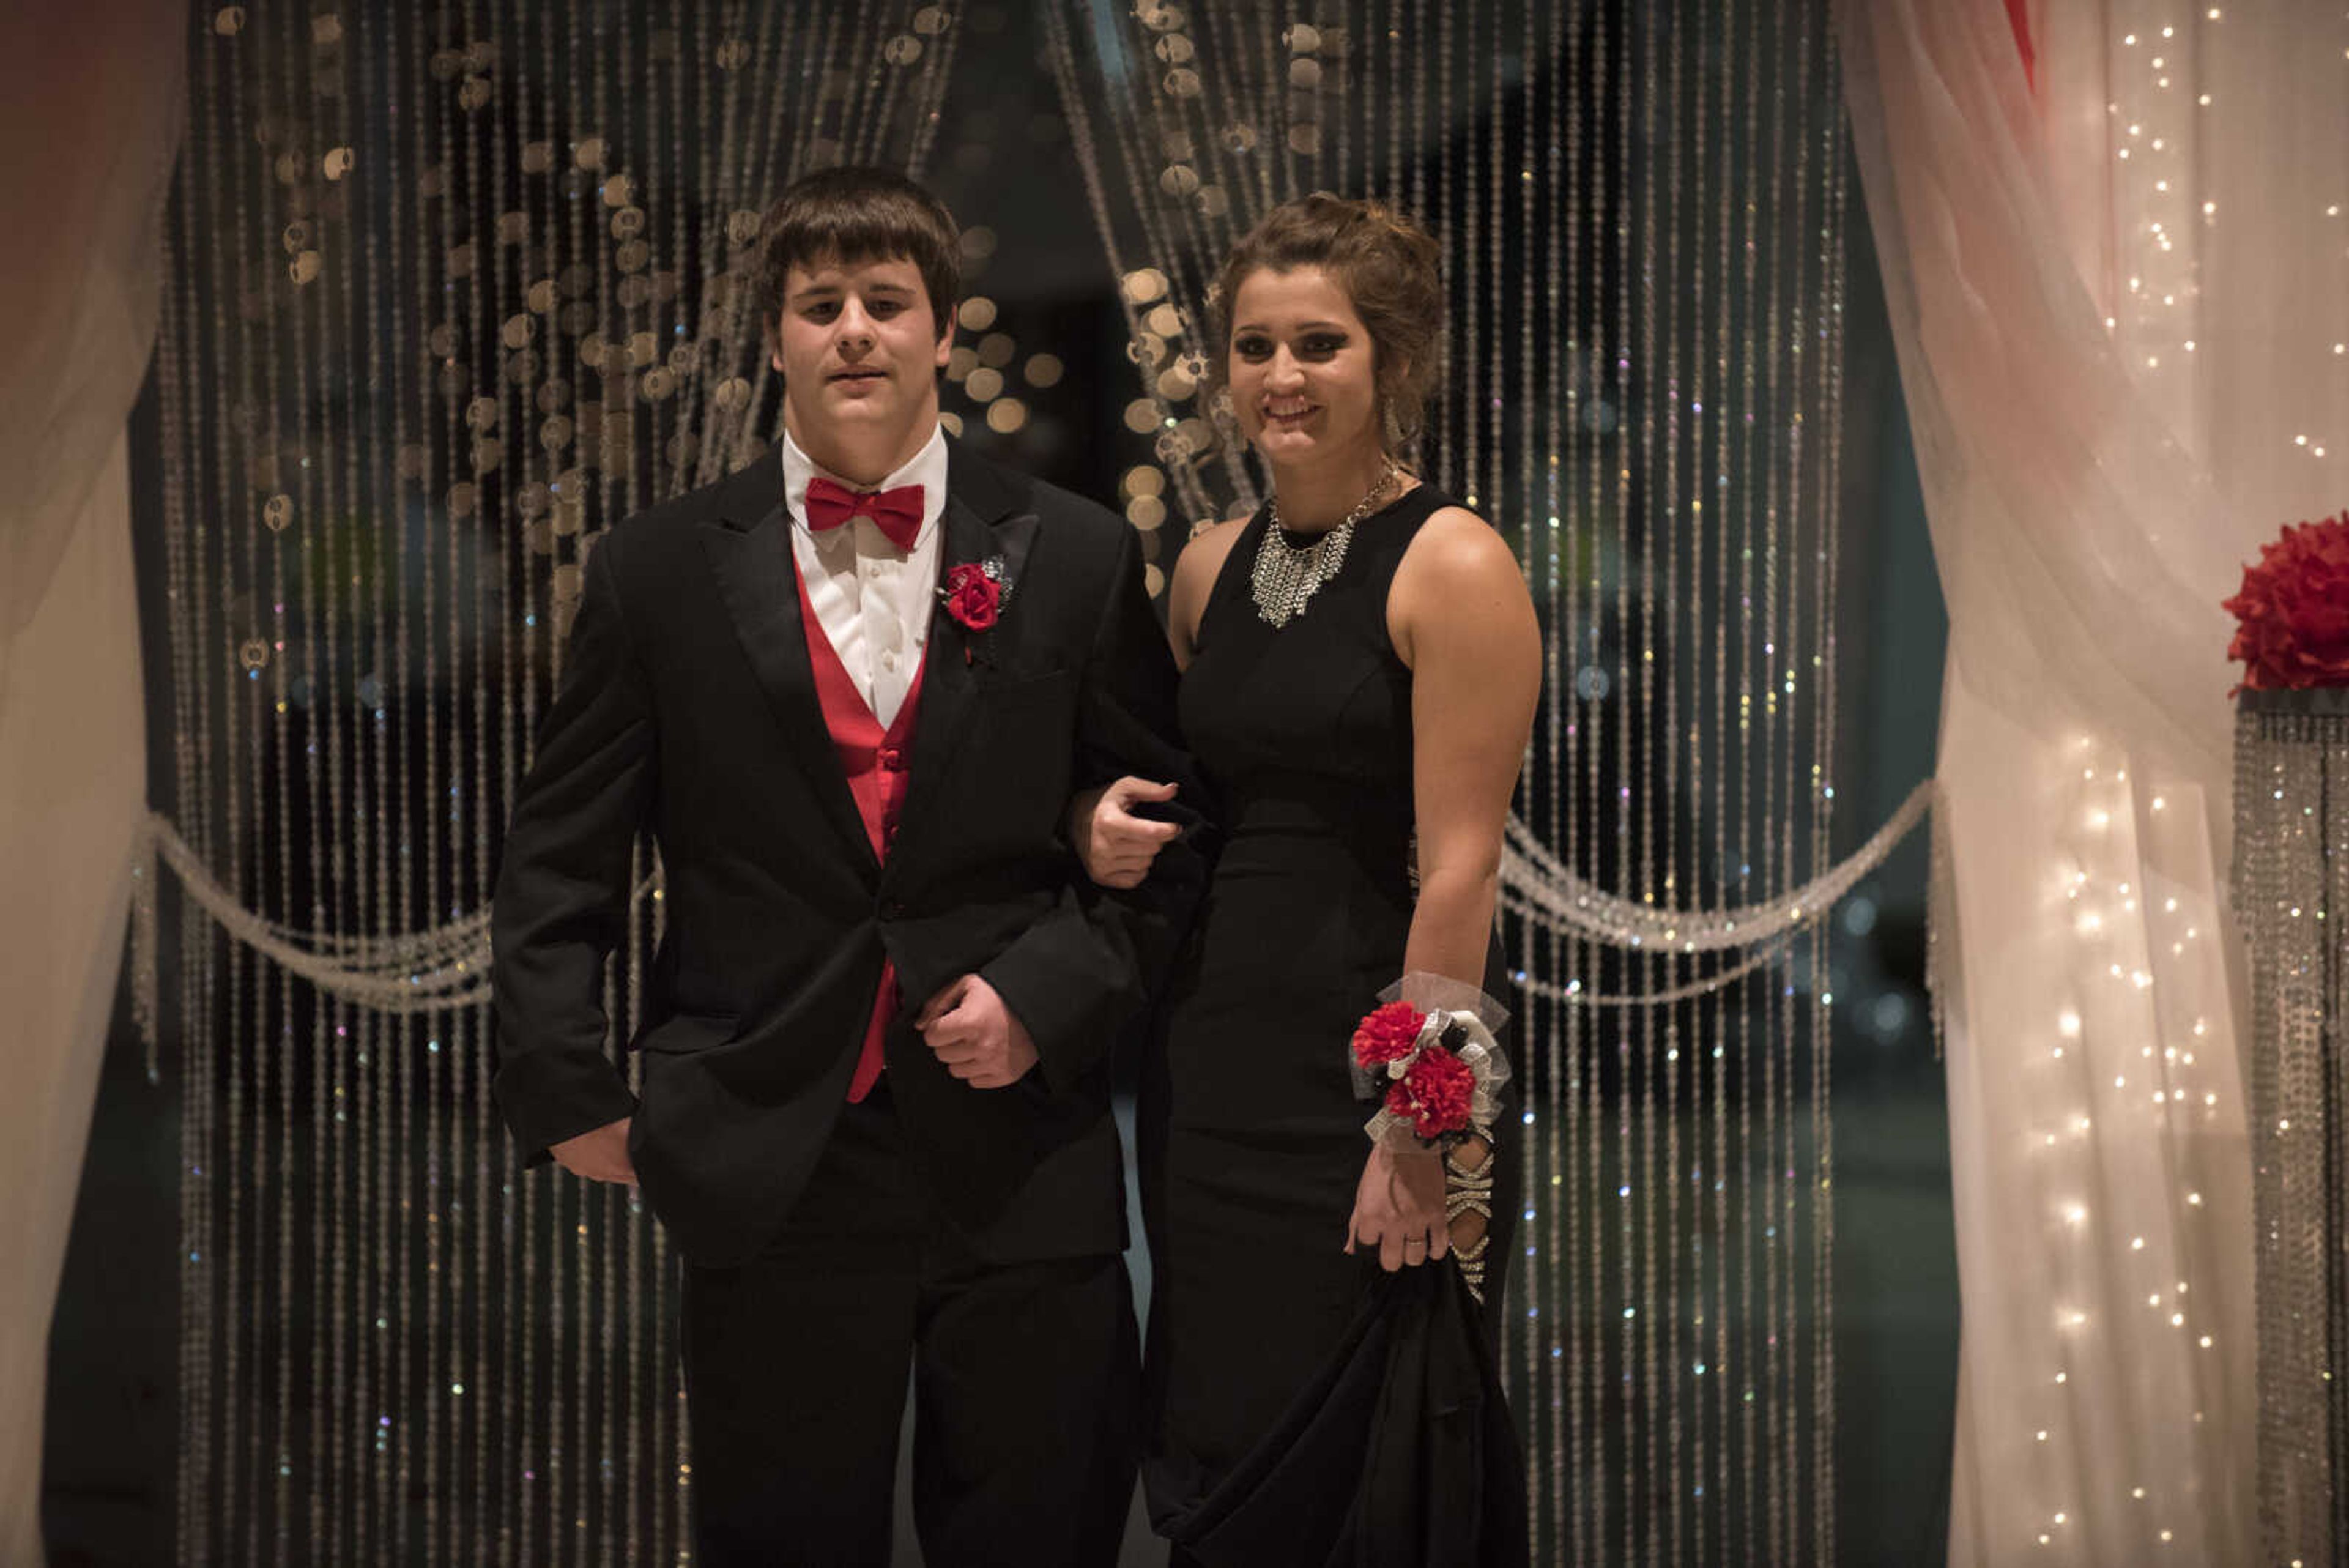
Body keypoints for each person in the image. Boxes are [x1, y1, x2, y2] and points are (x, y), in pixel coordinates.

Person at [489, 165, 1203, 1567]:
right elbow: (557, 859)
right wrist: (562, 1084)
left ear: (947, 330)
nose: (856, 333)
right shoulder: (654, 572)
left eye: (888, 302)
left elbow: (1168, 849)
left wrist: (1044, 996)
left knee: (1041, 1535)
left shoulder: (1074, 553)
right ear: (774, 339)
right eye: (822, 307)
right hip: (771, 1155)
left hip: (1022, 1160)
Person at [1075, 193, 1541, 1566]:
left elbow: (1459, 868)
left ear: (1392, 360)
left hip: (1375, 1071)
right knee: (1216, 1423)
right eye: (1254, 345)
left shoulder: (1455, 561)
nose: (1282, 376)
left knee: (1372, 1447)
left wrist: (1414, 1127)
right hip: (1208, 1074)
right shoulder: (1207, 568)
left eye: (1321, 344)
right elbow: (1185, 806)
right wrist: (1095, 822)